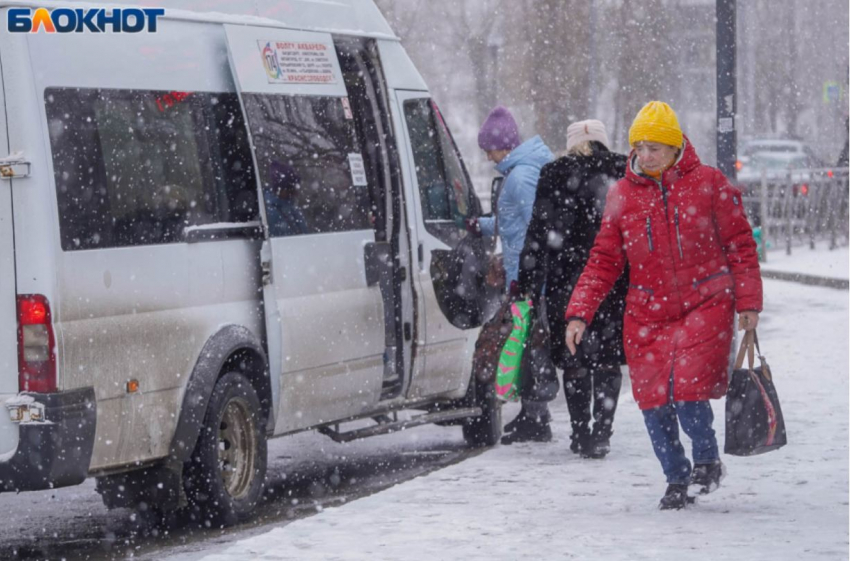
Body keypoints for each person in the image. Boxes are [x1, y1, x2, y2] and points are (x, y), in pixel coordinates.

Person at [564, 101, 763, 510]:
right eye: (639, 147)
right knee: (653, 401)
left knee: (688, 391)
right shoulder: (622, 195)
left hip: (705, 301)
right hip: (647, 312)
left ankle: (706, 459)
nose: (646, 155)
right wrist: (579, 312)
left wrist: (748, 303)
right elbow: (603, 260)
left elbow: (740, 245)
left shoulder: (709, 183)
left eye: (655, 147)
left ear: (675, 147)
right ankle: (675, 476)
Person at [517, 119, 628, 458]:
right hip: (613, 279)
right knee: (608, 359)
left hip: (567, 280)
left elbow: (538, 233)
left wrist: (527, 284)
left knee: (574, 358)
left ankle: (580, 433)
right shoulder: (623, 171)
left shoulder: (554, 174)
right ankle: (603, 432)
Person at [467, 105, 554, 444]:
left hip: (528, 276)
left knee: (528, 344)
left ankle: (536, 417)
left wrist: (529, 277)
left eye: (489, 149)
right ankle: (534, 414)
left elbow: (537, 228)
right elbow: (513, 222)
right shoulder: (519, 172)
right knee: (526, 343)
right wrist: (481, 225)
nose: (487, 156)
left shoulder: (520, 177)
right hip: (524, 272)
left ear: (504, 146)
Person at [264, 161, 311, 237]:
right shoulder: (270, 214)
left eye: (295, 188)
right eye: (290, 189)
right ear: (279, 189)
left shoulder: (292, 209)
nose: (295, 193)